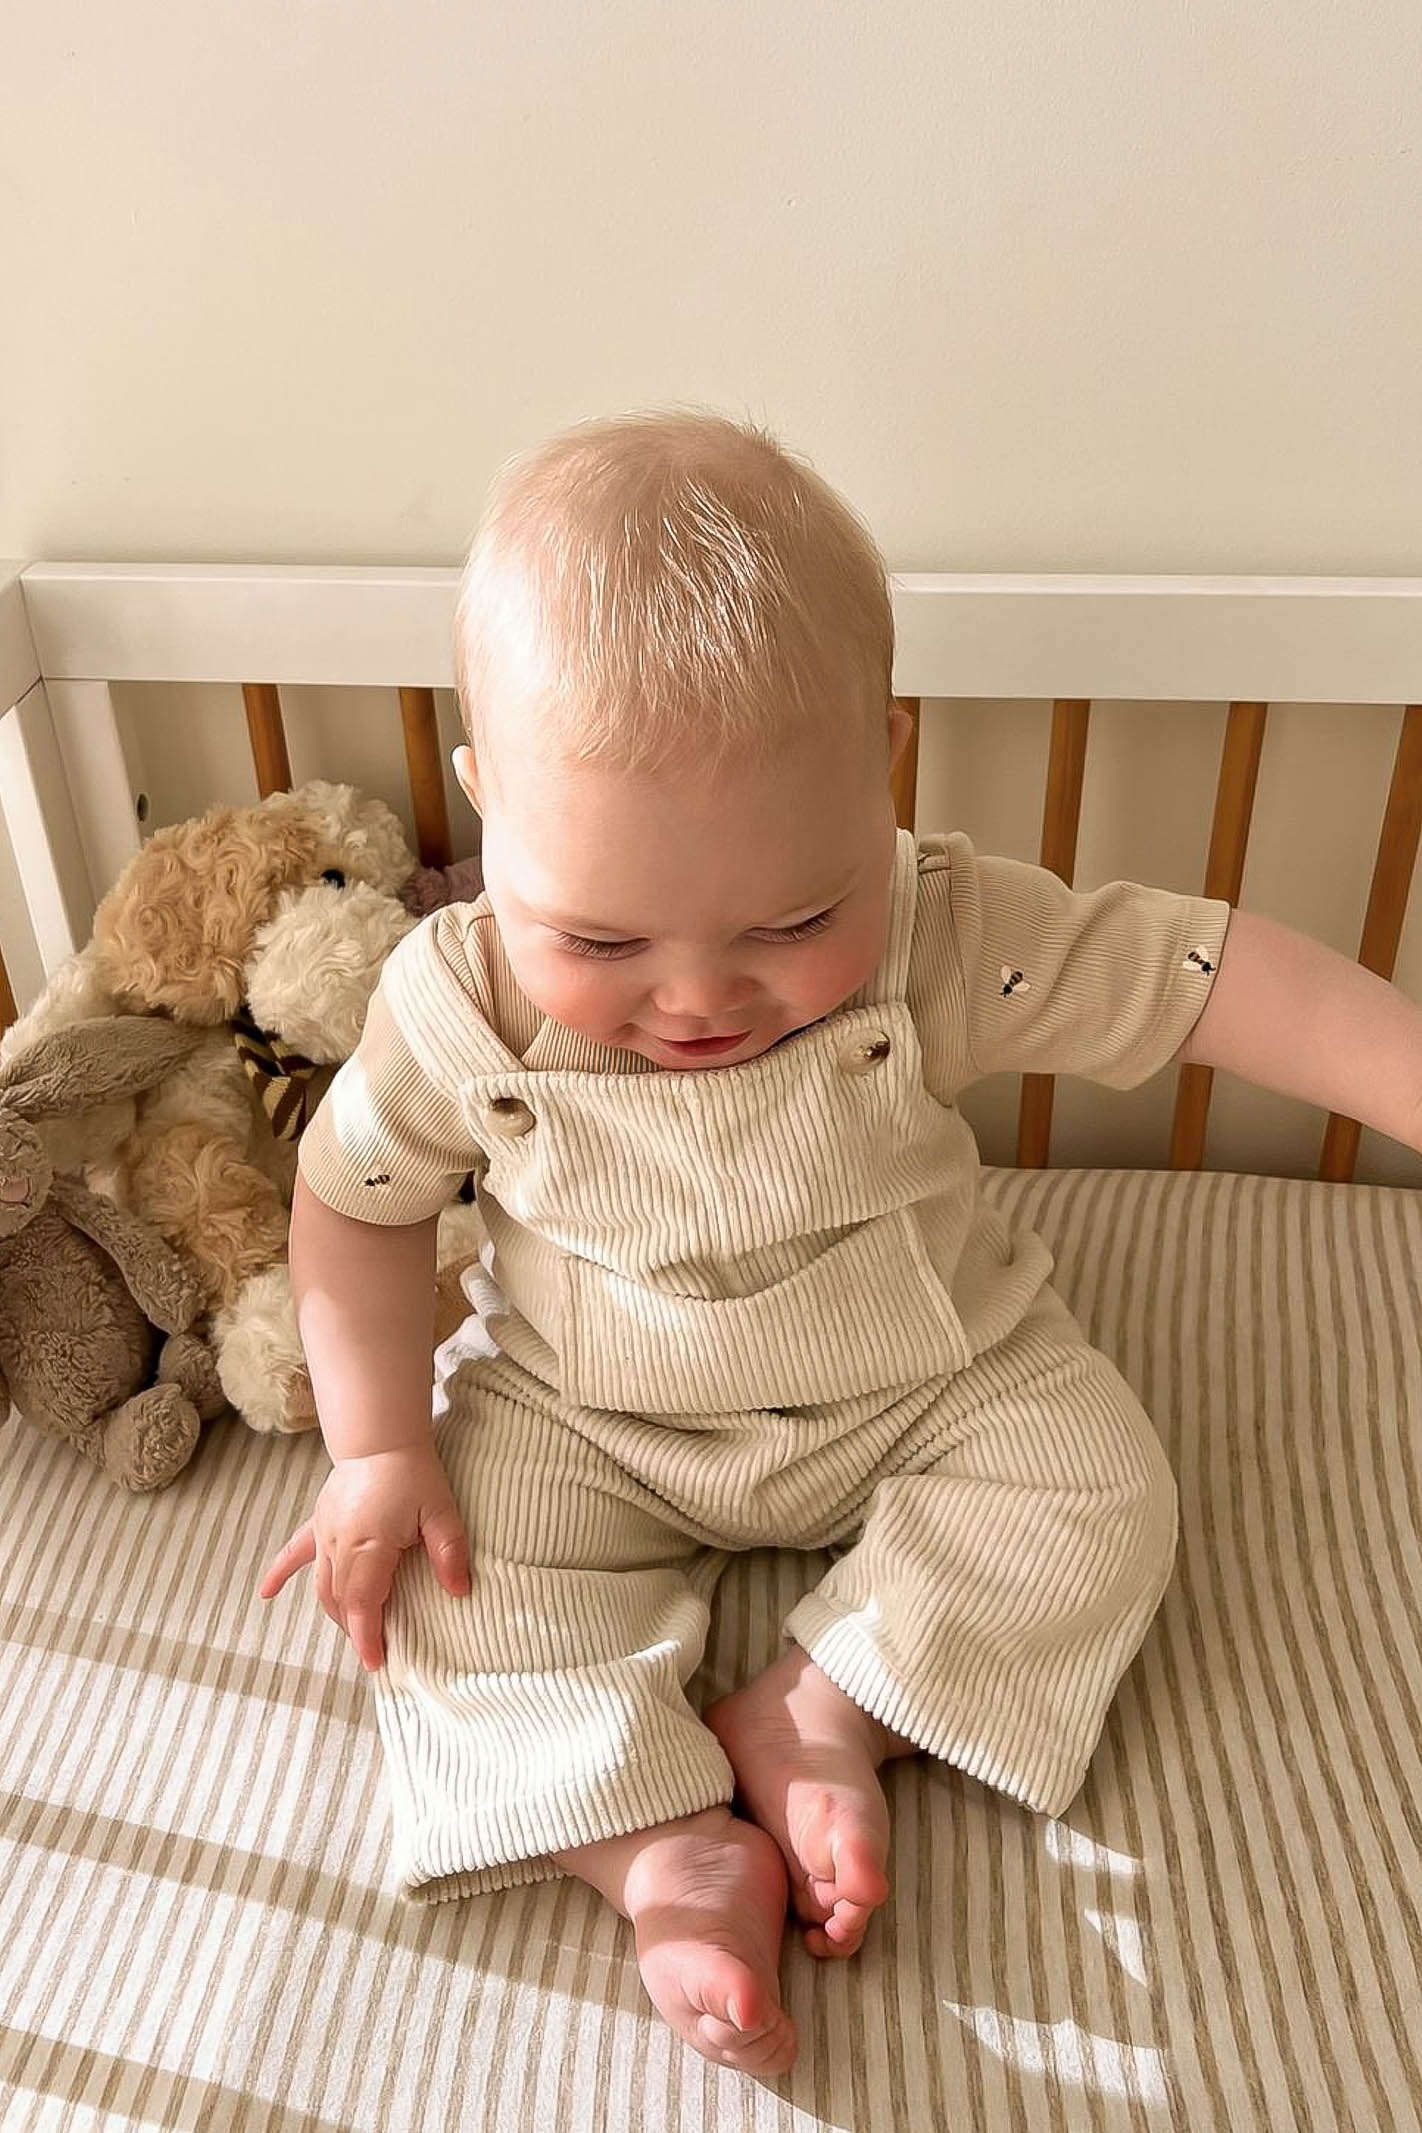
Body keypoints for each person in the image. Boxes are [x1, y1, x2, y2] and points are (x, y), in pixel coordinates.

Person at [259, 406, 1422, 2078]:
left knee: (1101, 1483)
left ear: (882, 760)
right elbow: (351, 1206)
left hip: (927, 1381)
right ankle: (655, 1848)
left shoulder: (948, 928)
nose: (696, 994)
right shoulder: (451, 1007)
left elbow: (1217, 983)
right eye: (599, 935)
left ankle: (821, 1708)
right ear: (483, 799)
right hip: (586, 1420)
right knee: (431, 1596)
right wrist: (373, 1444)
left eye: (794, 921)